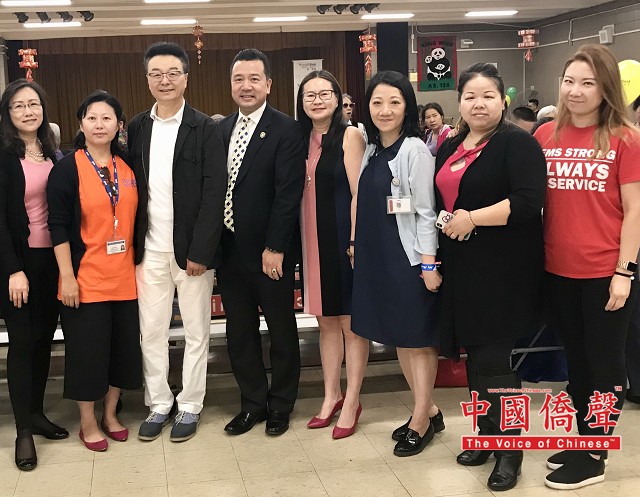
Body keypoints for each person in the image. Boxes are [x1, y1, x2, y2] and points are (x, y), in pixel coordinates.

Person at [435, 63, 546, 491]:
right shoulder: (451, 145)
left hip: (503, 269)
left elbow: (528, 201)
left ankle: (510, 451)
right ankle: (487, 435)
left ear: (502, 100)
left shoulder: (517, 143)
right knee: (475, 359)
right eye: (470, 96)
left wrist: (472, 218)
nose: (478, 104)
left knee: (496, 362)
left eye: (487, 96)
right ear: (460, 102)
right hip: (461, 265)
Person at [534, 44, 640, 490]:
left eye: (587, 83)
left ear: (606, 88)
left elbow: (634, 211)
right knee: (576, 362)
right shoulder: (545, 136)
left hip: (605, 272)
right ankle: (584, 439)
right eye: (569, 81)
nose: (575, 91)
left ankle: (596, 453)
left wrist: (624, 272)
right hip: (558, 270)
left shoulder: (626, 138)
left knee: (605, 365)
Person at [128, 41, 227, 442]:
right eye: (156, 74)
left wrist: (201, 251)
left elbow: (214, 193)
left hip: (191, 252)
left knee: (196, 331)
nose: (164, 80)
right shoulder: (138, 126)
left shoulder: (205, 128)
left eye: (172, 73)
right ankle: (158, 402)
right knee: (150, 330)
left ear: (186, 78)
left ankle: (190, 404)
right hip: (149, 249)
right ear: (147, 79)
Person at [351, 70, 444, 457]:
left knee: (417, 340)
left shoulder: (414, 150)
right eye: (377, 102)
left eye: (394, 102)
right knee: (400, 339)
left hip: (408, 260)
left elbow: (425, 211)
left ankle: (421, 420)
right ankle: (430, 410)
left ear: (408, 107)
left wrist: (428, 265)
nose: (385, 110)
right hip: (378, 258)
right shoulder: (373, 149)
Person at [47, 90, 142, 452]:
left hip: (125, 279)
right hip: (85, 280)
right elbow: (58, 225)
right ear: (81, 124)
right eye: (92, 118)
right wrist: (67, 277)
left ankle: (111, 414)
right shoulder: (67, 169)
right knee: (87, 355)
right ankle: (87, 422)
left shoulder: (128, 166)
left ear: (119, 125)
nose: (99, 124)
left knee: (121, 352)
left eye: (107, 118)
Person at [218, 48, 305, 436]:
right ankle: (252, 403)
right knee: (239, 332)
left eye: (254, 79)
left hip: (270, 252)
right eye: (239, 79)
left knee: (281, 330)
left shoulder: (286, 129)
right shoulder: (220, 129)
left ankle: (281, 405)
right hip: (229, 250)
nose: (246, 86)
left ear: (268, 84)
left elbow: (287, 194)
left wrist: (276, 247)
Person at [0, 79, 68, 471]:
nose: (28, 111)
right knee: (23, 343)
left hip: (52, 261)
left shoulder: (53, 153)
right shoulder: (4, 157)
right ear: (7, 114)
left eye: (34, 104)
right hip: (18, 266)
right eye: (18, 106)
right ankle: (23, 430)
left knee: (44, 340)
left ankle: (38, 414)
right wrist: (13, 269)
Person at [296, 70, 368, 438]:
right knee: (325, 322)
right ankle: (331, 395)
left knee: (350, 324)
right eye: (310, 95)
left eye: (325, 93)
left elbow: (358, 192)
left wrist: (355, 240)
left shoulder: (350, 135)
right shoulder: (300, 139)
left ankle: (352, 400)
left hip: (343, 239)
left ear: (338, 99)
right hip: (312, 241)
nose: (317, 100)